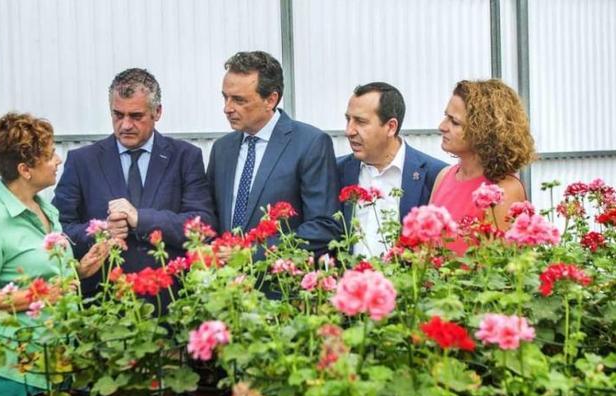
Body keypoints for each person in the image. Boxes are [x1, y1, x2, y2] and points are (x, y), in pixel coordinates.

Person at [0, 112, 110, 396]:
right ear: (25, 170)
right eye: (49, 155)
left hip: (53, 363)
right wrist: (37, 297)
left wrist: (78, 270)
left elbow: (34, 272)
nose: (58, 160)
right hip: (11, 373)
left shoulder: (44, 210)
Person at [53, 68, 216, 294]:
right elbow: (59, 229)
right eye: (118, 115)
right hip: (103, 301)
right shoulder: (82, 161)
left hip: (171, 301)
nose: (126, 125)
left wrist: (142, 219)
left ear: (157, 112)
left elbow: (203, 226)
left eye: (136, 116)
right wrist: (101, 231)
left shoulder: (185, 157)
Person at [207, 51, 340, 251]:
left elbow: (323, 227)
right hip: (226, 278)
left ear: (271, 99)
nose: (227, 108)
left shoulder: (310, 144)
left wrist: (252, 254)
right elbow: (211, 215)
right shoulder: (222, 149)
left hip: (279, 277)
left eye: (239, 100)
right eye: (225, 97)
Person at [337, 82, 446, 256]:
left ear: (391, 127)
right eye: (348, 119)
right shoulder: (335, 171)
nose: (349, 131)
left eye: (361, 121)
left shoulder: (435, 175)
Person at [430, 79, 535, 253]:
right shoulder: (444, 176)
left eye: (454, 122)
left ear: (484, 131)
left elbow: (498, 269)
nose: (442, 127)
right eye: (446, 117)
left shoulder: (504, 190)